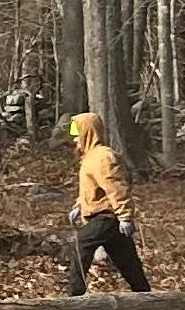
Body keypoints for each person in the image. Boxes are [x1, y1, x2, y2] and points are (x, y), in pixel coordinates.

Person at [62, 111, 149, 295]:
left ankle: (73, 298)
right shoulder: (90, 157)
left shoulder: (103, 157)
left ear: (88, 131)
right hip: (104, 216)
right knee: (127, 261)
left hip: (107, 216)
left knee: (81, 245)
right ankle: (146, 296)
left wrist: (125, 216)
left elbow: (116, 187)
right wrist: (79, 206)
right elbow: (92, 188)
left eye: (77, 132)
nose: (75, 138)